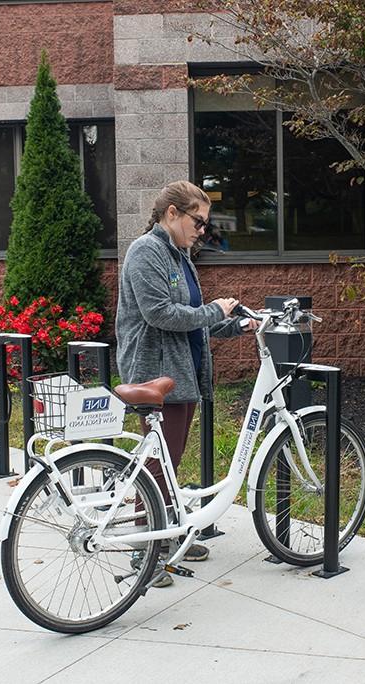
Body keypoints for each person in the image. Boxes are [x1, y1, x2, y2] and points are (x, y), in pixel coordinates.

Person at [116, 180, 252, 587]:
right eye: (198, 220)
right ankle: (145, 551)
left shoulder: (179, 255)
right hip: (155, 371)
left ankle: (168, 534)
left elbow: (194, 318)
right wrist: (214, 310)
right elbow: (162, 314)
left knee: (169, 463)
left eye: (205, 223)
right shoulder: (146, 252)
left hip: (181, 370)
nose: (202, 230)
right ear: (171, 213)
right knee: (157, 468)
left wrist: (240, 323)